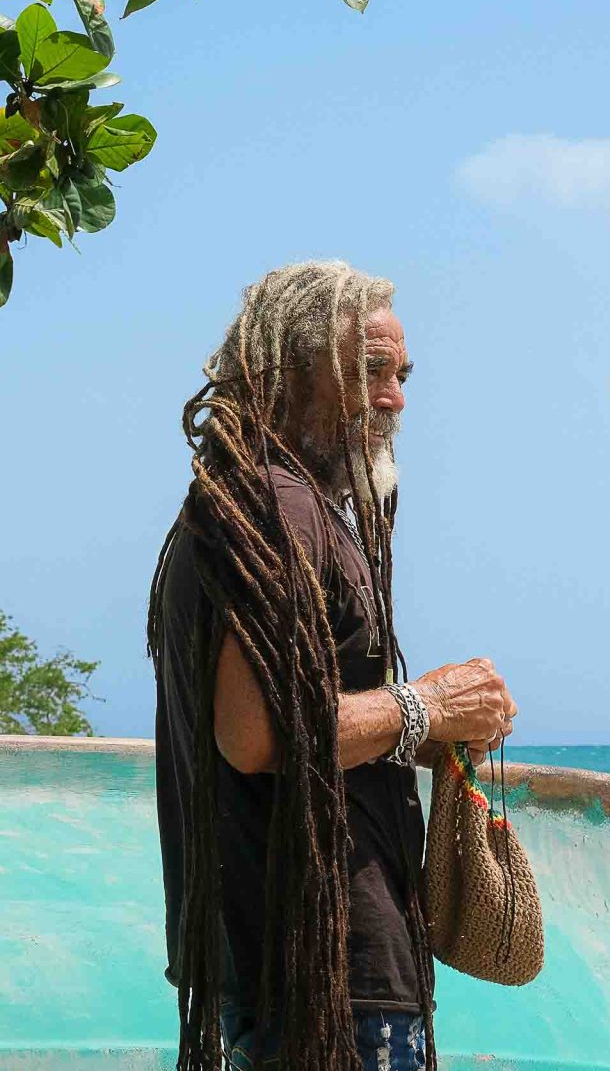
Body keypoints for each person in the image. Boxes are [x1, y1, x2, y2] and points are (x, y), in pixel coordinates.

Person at [149, 261, 519, 1070]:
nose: (396, 399)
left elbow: (308, 724)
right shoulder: (277, 508)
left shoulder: (262, 504)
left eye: (402, 374)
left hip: (299, 967)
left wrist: (421, 730)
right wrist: (423, 705)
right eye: (371, 371)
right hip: (324, 973)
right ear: (290, 371)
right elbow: (255, 739)